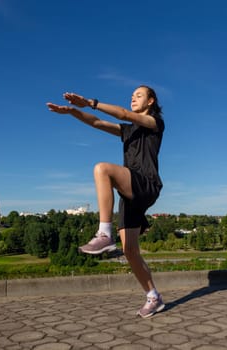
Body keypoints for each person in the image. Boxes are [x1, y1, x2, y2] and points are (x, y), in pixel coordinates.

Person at [46, 85, 165, 318]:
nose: (133, 98)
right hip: (129, 192)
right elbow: (97, 123)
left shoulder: (155, 124)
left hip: (146, 183)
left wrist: (91, 102)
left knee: (102, 169)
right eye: (131, 96)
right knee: (130, 251)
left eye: (138, 95)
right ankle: (153, 297)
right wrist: (73, 112)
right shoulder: (128, 131)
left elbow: (123, 113)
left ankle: (104, 233)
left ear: (150, 101)